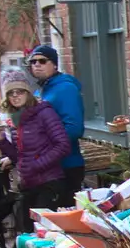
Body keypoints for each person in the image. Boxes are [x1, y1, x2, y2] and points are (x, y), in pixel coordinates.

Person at [0, 68, 70, 229]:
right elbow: (19, 157)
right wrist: (2, 142)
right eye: (11, 93)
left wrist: (36, 165)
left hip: (49, 183)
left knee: (44, 232)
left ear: (27, 92)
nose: (15, 96)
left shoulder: (44, 113)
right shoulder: (16, 119)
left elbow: (63, 145)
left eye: (19, 91)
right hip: (29, 184)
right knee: (27, 232)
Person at [27, 45, 86, 204]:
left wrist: (45, 147)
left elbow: (74, 129)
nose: (37, 64)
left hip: (66, 166)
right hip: (45, 168)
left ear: (54, 64)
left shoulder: (66, 88)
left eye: (42, 61)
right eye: (33, 62)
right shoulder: (39, 92)